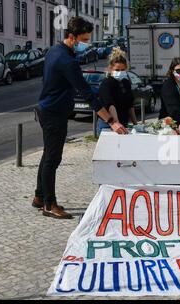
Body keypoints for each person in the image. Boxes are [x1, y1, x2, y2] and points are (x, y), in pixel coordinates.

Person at [33, 17, 127, 219]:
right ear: (71, 37)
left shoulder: (53, 51)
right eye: (83, 39)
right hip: (54, 113)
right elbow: (88, 94)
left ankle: (40, 196)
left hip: (47, 109)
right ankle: (49, 204)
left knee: (48, 155)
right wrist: (112, 121)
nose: (86, 43)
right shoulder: (67, 61)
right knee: (52, 158)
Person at [97, 47, 138, 135]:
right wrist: (116, 123)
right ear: (110, 69)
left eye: (122, 70)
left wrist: (136, 125)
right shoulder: (106, 83)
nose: (120, 72)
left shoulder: (126, 82)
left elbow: (130, 105)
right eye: (117, 70)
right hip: (109, 124)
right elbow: (110, 105)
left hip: (123, 123)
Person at [158, 57, 180, 125]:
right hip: (169, 125)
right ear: (172, 71)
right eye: (178, 71)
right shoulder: (168, 86)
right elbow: (173, 111)